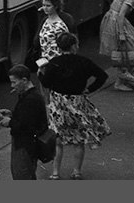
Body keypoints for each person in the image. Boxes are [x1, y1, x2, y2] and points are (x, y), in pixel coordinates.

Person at [38, 31, 110, 179]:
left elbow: (46, 83)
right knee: (79, 140)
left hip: (58, 104)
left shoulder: (54, 63)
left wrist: (41, 73)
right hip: (77, 102)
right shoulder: (83, 62)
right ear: (74, 46)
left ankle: (55, 172)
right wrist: (89, 89)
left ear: (59, 47)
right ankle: (76, 171)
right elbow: (102, 76)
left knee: (58, 140)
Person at [0, 64, 49, 180]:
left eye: (14, 82)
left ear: (24, 80)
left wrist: (10, 122)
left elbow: (27, 126)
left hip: (25, 146)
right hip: (26, 145)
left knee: (22, 175)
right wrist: (12, 114)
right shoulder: (30, 96)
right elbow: (27, 117)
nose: (12, 86)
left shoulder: (31, 99)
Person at [36, 0, 72, 68]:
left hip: (56, 64)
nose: (45, 8)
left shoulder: (59, 26)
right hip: (44, 62)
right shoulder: (46, 21)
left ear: (55, 6)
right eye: (43, 5)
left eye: (48, 6)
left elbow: (64, 48)